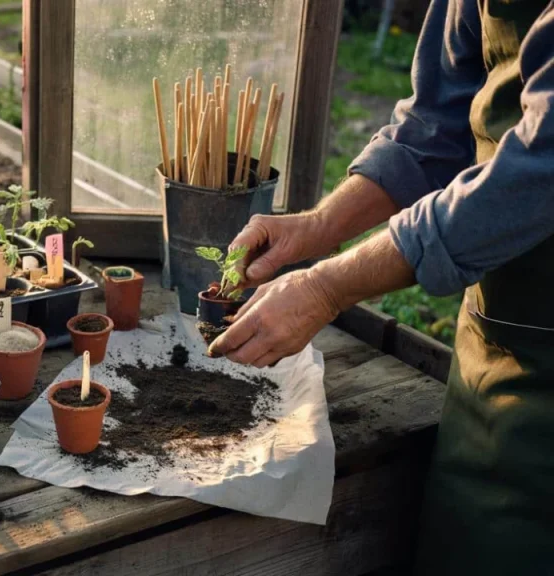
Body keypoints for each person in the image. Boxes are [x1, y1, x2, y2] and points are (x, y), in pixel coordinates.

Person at [210, 1, 554, 573]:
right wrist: (320, 226)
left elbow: (536, 175)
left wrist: (326, 287)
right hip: (494, 346)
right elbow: (433, 127)